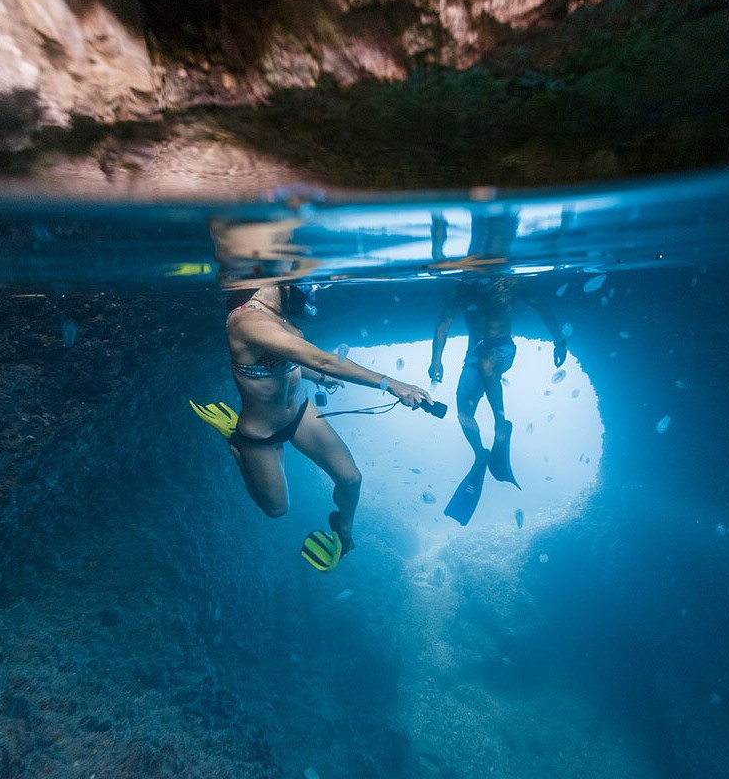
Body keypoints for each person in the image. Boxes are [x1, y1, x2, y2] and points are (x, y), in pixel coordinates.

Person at [191, 284, 431, 570]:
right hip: (262, 434)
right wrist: (390, 383)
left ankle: (343, 530)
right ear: (283, 282)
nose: (314, 292)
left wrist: (317, 378)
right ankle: (236, 442)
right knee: (276, 509)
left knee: (351, 479)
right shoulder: (246, 321)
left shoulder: (278, 314)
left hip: (301, 413)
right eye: (311, 286)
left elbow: (286, 358)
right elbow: (320, 358)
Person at [427, 212, 567, 524]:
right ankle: (480, 452)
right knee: (462, 408)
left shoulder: (509, 280)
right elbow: (443, 323)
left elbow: (542, 305)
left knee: (490, 364)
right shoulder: (461, 283)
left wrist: (560, 340)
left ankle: (501, 424)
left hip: (503, 348)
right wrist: (436, 359)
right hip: (473, 355)